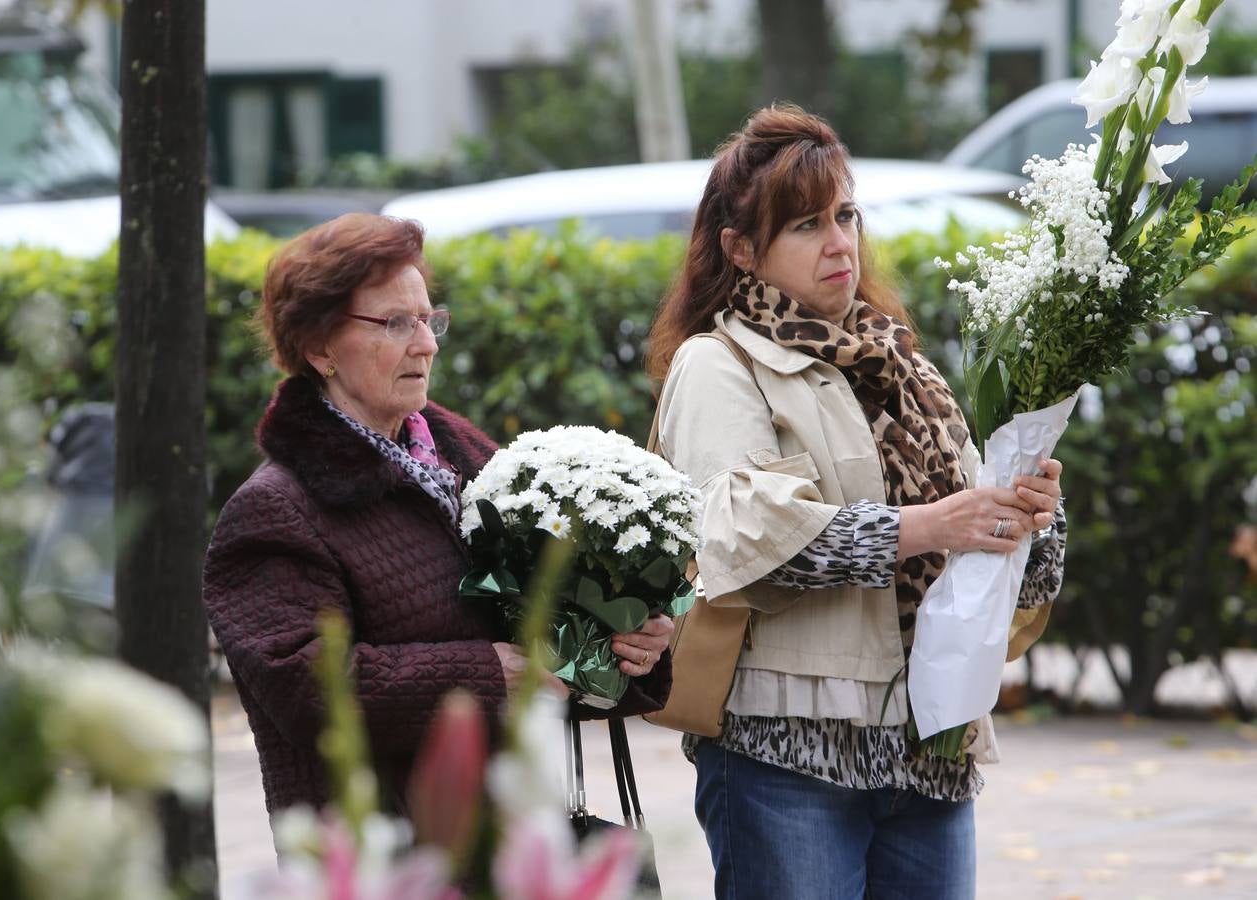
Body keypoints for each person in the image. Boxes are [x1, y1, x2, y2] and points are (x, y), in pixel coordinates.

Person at [646, 105, 1067, 899]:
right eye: (805, 224)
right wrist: (932, 525)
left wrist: (1029, 515)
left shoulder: (901, 362)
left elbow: (989, 562)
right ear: (740, 249)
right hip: (783, 758)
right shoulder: (719, 365)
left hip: (930, 750)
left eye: (845, 214)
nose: (840, 242)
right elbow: (744, 546)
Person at [202, 213, 673, 821]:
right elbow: (305, 687)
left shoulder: (477, 467)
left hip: (512, 836)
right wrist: (483, 676)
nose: (425, 344)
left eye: (428, 320)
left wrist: (622, 644)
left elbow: (544, 641)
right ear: (319, 347)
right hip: (380, 859)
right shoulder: (275, 511)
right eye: (395, 323)